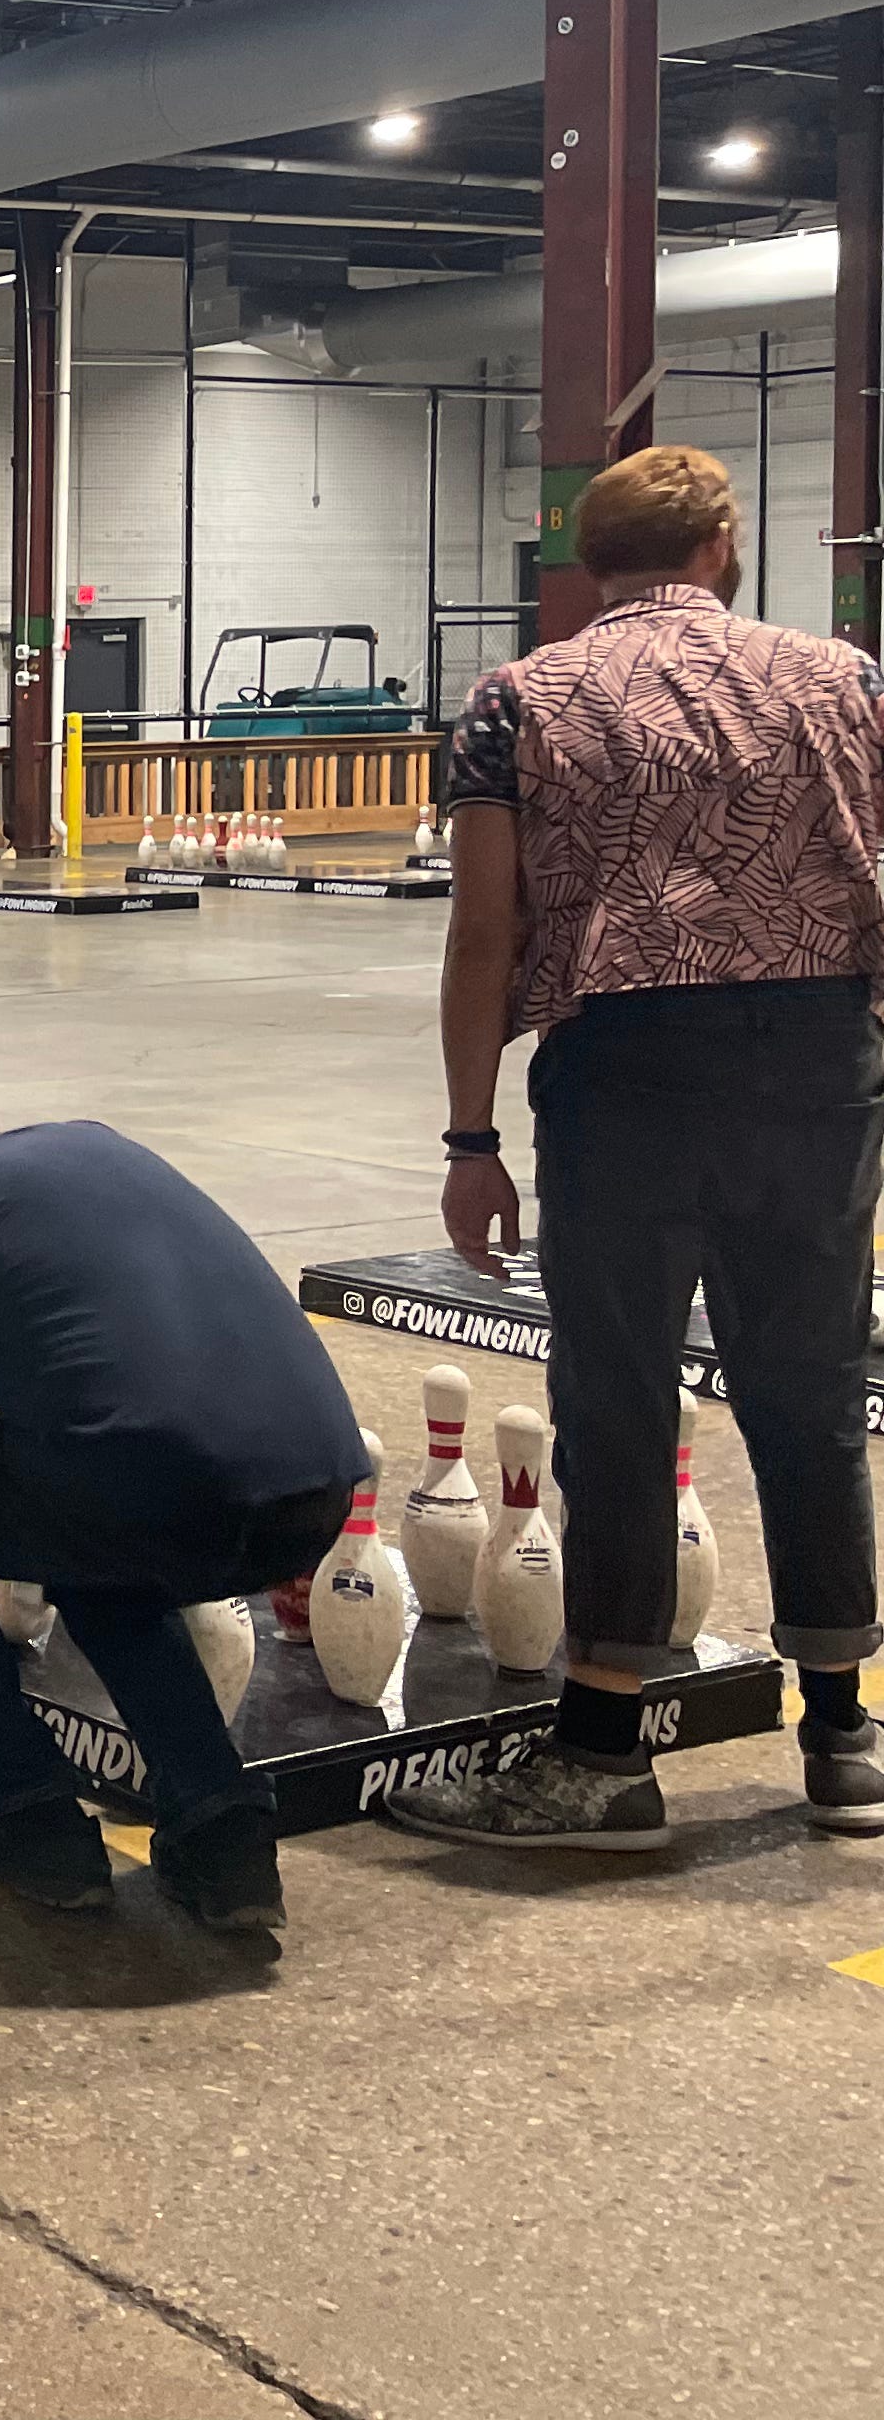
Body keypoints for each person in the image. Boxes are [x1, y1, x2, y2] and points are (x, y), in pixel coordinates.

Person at [402, 441, 884, 1850]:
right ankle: (846, 1735)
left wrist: (472, 1134)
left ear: (588, 560)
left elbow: (484, 935)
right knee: (811, 1385)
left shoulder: (518, 701)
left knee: (616, 1396)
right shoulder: (850, 680)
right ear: (721, 550)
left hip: (626, 1071)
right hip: (817, 1061)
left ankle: (605, 1753)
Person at [0, 1075, 358, 1934]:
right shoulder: (100, 1146)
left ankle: (27, 1808)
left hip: (150, 1490)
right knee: (94, 1521)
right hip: (318, 1490)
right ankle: (222, 1828)